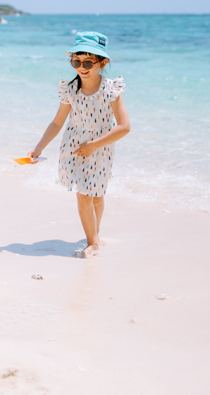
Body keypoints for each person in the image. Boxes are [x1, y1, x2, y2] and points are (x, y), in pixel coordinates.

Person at [28, 31, 130, 258]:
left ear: (102, 63)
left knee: (96, 195)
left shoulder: (111, 90)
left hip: (101, 148)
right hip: (74, 149)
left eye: (87, 62)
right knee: (84, 195)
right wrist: (39, 147)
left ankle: (95, 235)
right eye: (76, 61)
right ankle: (92, 242)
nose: (81, 67)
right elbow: (57, 123)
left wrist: (94, 145)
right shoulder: (70, 90)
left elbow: (124, 127)